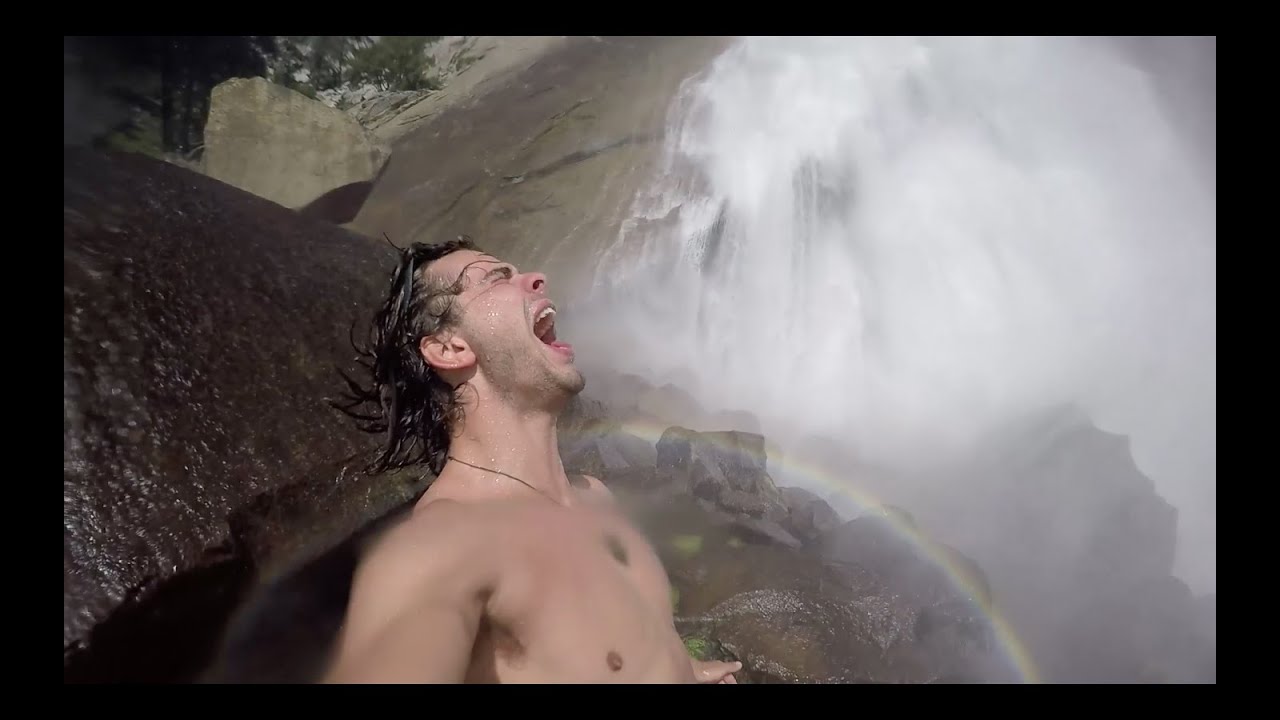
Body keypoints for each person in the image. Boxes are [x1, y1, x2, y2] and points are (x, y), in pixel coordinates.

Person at [326, 237, 741, 684]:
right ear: (448, 349)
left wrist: (688, 671)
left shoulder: (594, 499)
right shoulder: (441, 546)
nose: (537, 278)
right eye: (495, 278)